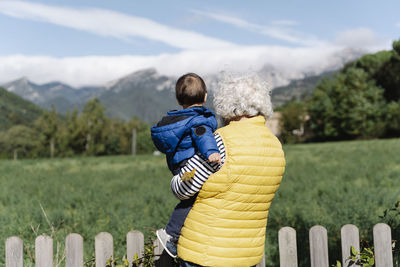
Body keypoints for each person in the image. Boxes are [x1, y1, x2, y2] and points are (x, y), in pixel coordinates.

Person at [169, 72, 286, 266]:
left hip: (206, 253)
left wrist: (177, 177)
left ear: (226, 105)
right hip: (247, 255)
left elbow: (184, 188)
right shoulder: (275, 145)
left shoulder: (219, 142)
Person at [150, 73, 222, 258]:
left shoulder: (177, 120)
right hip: (190, 164)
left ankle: (178, 232)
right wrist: (211, 152)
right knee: (193, 198)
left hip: (178, 164)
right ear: (205, 96)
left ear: (179, 99)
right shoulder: (199, 120)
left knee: (190, 198)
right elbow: (202, 135)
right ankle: (171, 234)